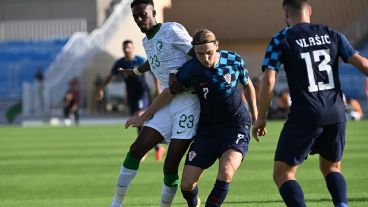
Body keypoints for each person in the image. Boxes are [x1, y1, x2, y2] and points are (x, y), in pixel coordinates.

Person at [252, 0, 368, 206]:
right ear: (310, 10)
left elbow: (269, 79)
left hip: (305, 113)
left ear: (286, 12)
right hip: (336, 112)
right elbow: (364, 64)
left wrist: (261, 118)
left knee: (283, 173)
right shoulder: (332, 34)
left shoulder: (282, 38)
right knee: (332, 168)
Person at [126, 29, 258, 207]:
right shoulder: (191, 70)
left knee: (226, 171)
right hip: (207, 130)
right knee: (187, 184)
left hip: (236, 126)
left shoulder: (233, 59)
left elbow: (248, 85)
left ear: (217, 46)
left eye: (209, 53)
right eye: (200, 54)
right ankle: (193, 202)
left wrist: (256, 117)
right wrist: (144, 117)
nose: (205, 58)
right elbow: (168, 93)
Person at [109, 0, 200, 206]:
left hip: (189, 102)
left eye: (143, 14)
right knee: (136, 148)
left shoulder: (172, 29)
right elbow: (153, 60)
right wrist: (133, 72)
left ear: (153, 12)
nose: (140, 19)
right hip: (167, 102)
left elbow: (199, 55)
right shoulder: (146, 41)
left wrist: (182, 75)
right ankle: (116, 203)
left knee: (169, 166)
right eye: (136, 17)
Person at [96, 40, 165, 161]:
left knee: (139, 117)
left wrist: (158, 89)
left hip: (142, 93)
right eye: (124, 47)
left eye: (128, 47)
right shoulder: (120, 62)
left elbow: (154, 74)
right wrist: (101, 88)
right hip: (131, 95)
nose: (126, 49)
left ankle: (142, 149)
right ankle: (157, 147)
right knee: (139, 121)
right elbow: (110, 76)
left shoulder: (140, 60)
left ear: (133, 48)